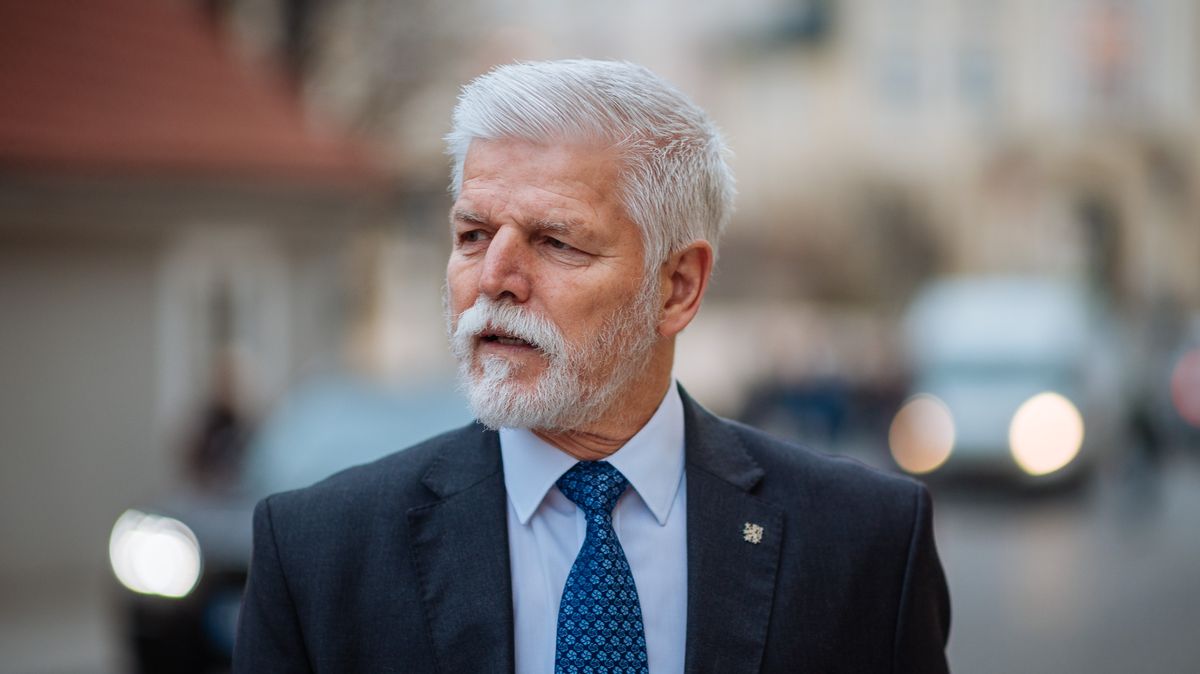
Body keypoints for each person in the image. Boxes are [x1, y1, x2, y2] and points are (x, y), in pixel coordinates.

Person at [233, 59, 950, 674]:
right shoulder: (317, 553)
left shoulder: (865, 544)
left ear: (678, 287)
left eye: (556, 242)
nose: (494, 279)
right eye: (473, 234)